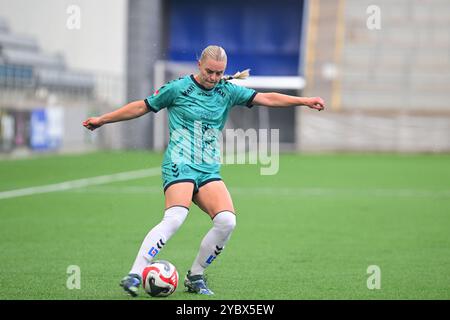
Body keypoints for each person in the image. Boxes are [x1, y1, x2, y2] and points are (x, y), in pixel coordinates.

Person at [83, 45, 325, 296]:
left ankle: (195, 276)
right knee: (175, 217)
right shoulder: (177, 89)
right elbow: (141, 107)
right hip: (179, 162)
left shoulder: (227, 90)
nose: (213, 78)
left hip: (208, 169)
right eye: (209, 71)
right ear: (199, 64)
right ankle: (134, 274)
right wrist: (103, 119)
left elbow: (266, 98)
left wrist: (304, 101)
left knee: (226, 221)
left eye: (219, 73)